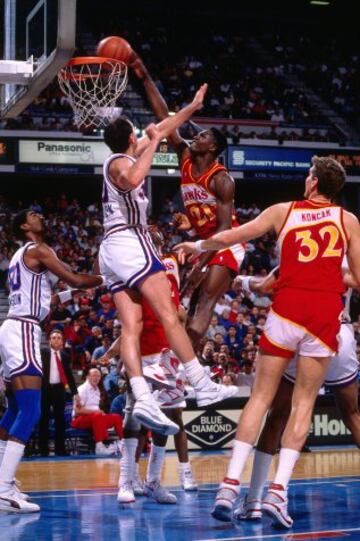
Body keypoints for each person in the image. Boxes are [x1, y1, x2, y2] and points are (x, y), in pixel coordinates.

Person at [175, 156, 360, 527]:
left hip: (286, 311)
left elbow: (233, 236)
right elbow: (357, 275)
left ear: (312, 183)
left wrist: (197, 246)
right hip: (325, 317)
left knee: (261, 400)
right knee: (304, 405)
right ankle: (278, 492)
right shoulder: (348, 220)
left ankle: (230, 487)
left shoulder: (283, 211)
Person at [98, 79, 237, 438]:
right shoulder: (120, 162)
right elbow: (132, 177)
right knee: (169, 313)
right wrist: (156, 141)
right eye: (138, 135)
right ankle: (199, 381)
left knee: (133, 326)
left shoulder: (127, 152)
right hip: (129, 240)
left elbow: (163, 125)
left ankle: (142, 395)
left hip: (112, 250)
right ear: (131, 138)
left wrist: (191, 107)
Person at [131, 55, 245, 353]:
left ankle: (185, 369)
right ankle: (185, 362)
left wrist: (201, 264)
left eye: (203, 136)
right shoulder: (185, 158)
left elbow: (223, 229)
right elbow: (166, 119)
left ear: (214, 147)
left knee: (206, 298)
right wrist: (144, 77)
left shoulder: (222, 180)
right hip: (205, 242)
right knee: (191, 304)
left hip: (225, 243)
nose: (196, 136)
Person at [234, 260, 360, 524]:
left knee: (278, 415)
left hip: (301, 329)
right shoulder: (344, 254)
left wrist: (244, 282)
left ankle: (254, 500)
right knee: (352, 414)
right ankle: (267, 496)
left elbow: (264, 286)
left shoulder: (297, 249)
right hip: (339, 330)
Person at [0, 209, 103, 513]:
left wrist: (83, 286)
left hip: (12, 328)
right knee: (31, 409)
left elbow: (52, 300)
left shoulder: (22, 257)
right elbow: (75, 279)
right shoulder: (39, 249)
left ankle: (3, 481)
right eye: (32, 214)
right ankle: (4, 488)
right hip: (24, 330)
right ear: (23, 225)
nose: (40, 216)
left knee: (16, 409)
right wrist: (104, 278)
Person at [117, 226, 197, 504]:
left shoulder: (171, 264)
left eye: (159, 234)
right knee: (133, 417)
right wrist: (123, 353)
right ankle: (126, 480)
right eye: (148, 233)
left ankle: (153, 481)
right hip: (141, 349)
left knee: (165, 418)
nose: (155, 235)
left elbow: (179, 308)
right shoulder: (129, 267)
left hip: (167, 352)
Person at [39, 329, 78, 457]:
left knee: (60, 419)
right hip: (44, 390)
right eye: (54, 337)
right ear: (49, 340)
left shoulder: (65, 355)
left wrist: (75, 392)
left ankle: (60, 449)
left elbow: (69, 375)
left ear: (62, 341)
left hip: (59, 389)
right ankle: (43, 450)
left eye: (59, 338)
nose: (56, 340)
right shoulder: (42, 352)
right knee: (44, 419)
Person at [71, 368, 122, 455]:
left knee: (116, 417)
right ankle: (99, 447)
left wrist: (99, 413)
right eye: (94, 376)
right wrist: (96, 412)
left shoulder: (97, 389)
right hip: (79, 419)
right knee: (98, 416)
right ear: (88, 377)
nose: (96, 378)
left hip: (94, 418)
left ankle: (123, 444)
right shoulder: (82, 389)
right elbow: (77, 411)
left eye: (98, 376)